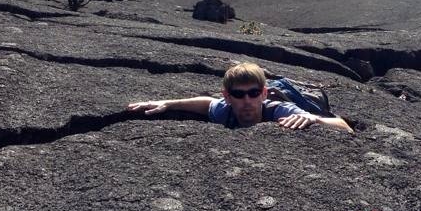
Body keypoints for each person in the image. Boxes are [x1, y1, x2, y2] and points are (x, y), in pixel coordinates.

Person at [126, 62, 354, 133]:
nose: (247, 100)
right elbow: (207, 104)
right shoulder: (225, 110)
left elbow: (345, 126)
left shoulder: (281, 111)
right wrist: (167, 103)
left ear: (263, 94)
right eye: (238, 94)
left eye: (254, 93)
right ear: (228, 96)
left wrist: (315, 119)